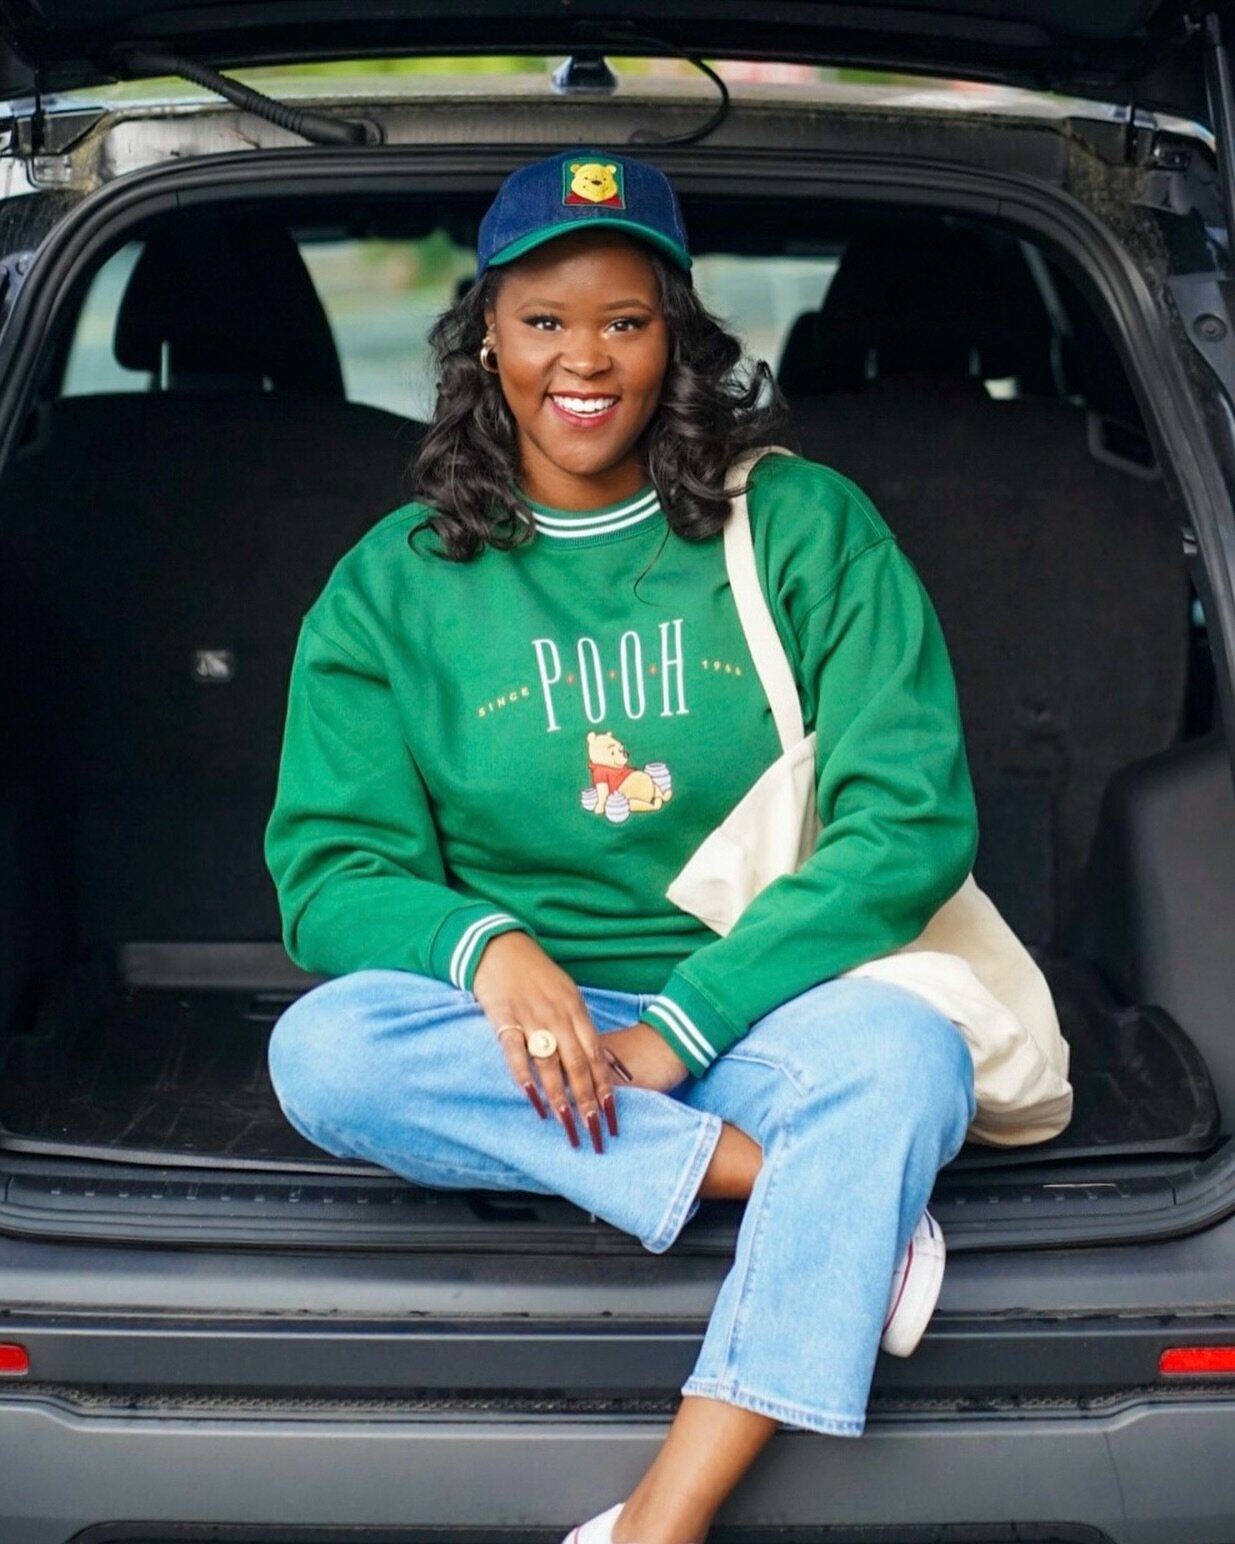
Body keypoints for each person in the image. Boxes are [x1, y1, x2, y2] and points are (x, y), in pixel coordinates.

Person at [263, 149, 978, 1544]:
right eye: (543, 321)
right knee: (324, 1053)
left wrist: (685, 1020)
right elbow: (332, 874)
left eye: (625, 322)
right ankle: (823, 1196)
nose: (582, 360)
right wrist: (493, 952)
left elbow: (913, 821)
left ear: (677, 340)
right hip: (521, 1028)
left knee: (908, 1061)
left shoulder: (806, 530)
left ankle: (659, 1520)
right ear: (487, 336)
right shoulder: (390, 585)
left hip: (766, 1002)